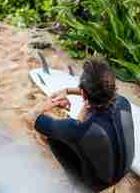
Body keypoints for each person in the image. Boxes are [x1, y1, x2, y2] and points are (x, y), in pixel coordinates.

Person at [33, 58, 134, 191]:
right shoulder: (123, 103)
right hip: (125, 170)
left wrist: (48, 104)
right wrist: (67, 90)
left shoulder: (76, 129)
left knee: (54, 139)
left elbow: (35, 119)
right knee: (81, 132)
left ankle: (77, 186)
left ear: (84, 93)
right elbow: (103, 93)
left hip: (96, 184)